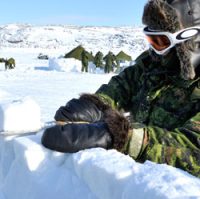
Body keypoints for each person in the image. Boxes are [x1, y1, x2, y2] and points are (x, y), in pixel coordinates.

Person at [42, 0, 200, 177]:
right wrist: (95, 105)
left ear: (191, 41)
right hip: (133, 179)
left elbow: (194, 148)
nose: (155, 50)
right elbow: (123, 85)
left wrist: (121, 137)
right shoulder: (153, 65)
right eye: (151, 40)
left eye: (161, 41)